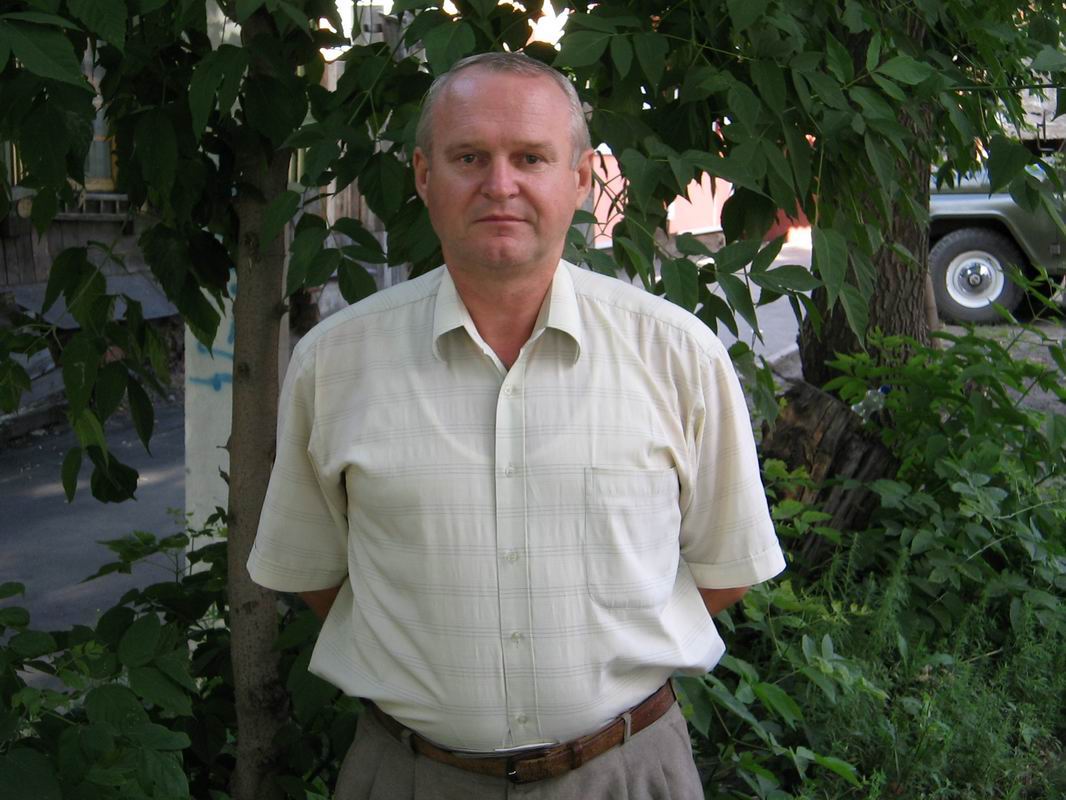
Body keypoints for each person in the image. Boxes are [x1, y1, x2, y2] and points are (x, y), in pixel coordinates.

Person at [248, 51, 786, 799]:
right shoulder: (335, 364)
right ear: (424, 176)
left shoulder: (678, 357)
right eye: (469, 157)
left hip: (627, 774)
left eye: (530, 157)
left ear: (580, 179)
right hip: (409, 779)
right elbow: (315, 573)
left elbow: (727, 569)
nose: (500, 185)